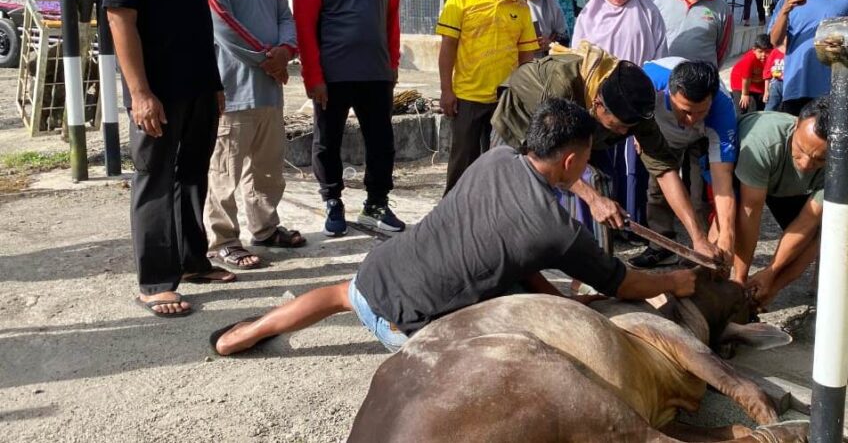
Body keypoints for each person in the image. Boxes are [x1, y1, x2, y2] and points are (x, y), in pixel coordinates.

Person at [211, 99, 700, 356]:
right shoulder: (558, 230)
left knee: (339, 293)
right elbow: (623, 283)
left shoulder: (496, 158)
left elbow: (515, 254)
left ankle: (247, 332)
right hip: (410, 332)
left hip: (375, 275)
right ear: (572, 160)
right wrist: (678, 280)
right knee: (539, 342)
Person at [101, 0, 232, 317]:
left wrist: (213, 82)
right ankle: (155, 281)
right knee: (154, 178)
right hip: (157, 88)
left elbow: (198, 18)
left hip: (197, 83)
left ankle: (193, 261)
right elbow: (120, 18)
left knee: (193, 175)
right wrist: (140, 93)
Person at [491, 42, 723, 263]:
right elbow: (555, 160)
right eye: (619, 127)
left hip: (580, 128)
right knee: (516, 200)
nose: (624, 133)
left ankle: (592, 273)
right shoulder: (560, 87)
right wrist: (593, 199)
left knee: (599, 186)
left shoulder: (635, 107)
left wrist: (698, 238)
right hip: (521, 123)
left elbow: (664, 171)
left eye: (629, 128)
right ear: (598, 105)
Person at [293, 0, 405, 236]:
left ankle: (376, 203)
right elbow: (304, 27)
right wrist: (313, 76)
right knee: (328, 140)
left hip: (376, 73)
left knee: (381, 141)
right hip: (332, 76)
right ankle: (332, 200)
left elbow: (391, 18)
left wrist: (392, 63)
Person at [202, 0, 304, 270]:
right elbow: (223, 25)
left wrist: (286, 50)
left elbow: (286, 19)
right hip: (232, 91)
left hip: (268, 90)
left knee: (267, 169)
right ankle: (223, 241)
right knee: (224, 171)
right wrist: (268, 59)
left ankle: (265, 228)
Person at [437, 0, 539, 193]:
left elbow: (526, 55)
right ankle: (453, 211)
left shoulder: (520, 8)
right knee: (463, 164)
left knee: (501, 165)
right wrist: (446, 90)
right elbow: (448, 47)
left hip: (504, 100)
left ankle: (492, 213)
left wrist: (523, 97)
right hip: (468, 97)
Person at [572, 0, 668, 223]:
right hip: (598, 106)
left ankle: (633, 221)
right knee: (600, 161)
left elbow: (659, 59)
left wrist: (650, 103)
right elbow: (577, 59)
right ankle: (605, 221)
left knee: (634, 165)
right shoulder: (589, 16)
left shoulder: (648, 13)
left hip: (635, 104)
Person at [629, 58, 737, 268]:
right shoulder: (648, 82)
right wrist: (638, 129)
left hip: (702, 139)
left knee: (701, 195)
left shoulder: (722, 111)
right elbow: (628, 108)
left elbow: (723, 182)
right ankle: (662, 246)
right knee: (657, 190)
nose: (691, 120)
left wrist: (727, 234)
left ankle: (703, 249)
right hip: (663, 134)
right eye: (685, 111)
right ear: (670, 93)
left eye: (700, 112)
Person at [730, 100, 830, 296]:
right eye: (801, 149)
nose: (806, 164)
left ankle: (763, 294)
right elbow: (750, 213)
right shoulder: (763, 142)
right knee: (723, 230)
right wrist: (740, 278)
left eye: (819, 159)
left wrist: (771, 272)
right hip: (745, 166)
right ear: (796, 124)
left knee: (816, 236)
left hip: (785, 185)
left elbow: (806, 222)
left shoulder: (839, 167)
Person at [730, 35, 774, 114]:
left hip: (758, 82)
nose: (763, 55)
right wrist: (745, 94)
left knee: (758, 106)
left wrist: (765, 91)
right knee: (742, 106)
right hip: (740, 81)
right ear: (754, 50)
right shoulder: (749, 59)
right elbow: (746, 78)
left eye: (767, 52)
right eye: (760, 51)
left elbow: (769, 76)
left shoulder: (773, 58)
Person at [764, 42, 786, 112]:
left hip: (789, 85)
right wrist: (766, 91)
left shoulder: (794, 52)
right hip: (776, 83)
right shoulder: (775, 52)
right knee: (770, 109)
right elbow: (767, 72)